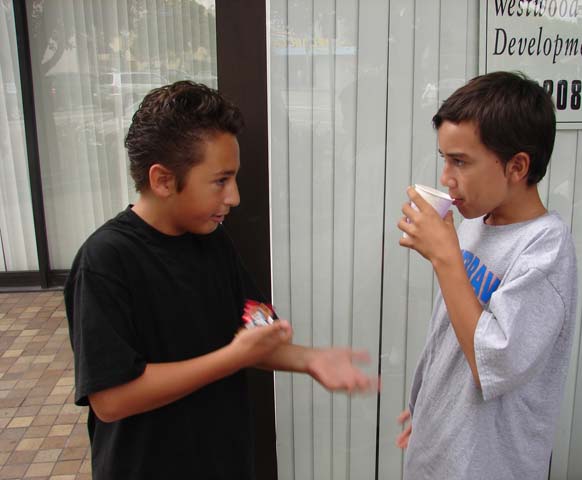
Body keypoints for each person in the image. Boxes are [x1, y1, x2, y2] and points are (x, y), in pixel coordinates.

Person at [64, 80, 374, 479]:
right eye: (220, 181)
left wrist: (309, 359)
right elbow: (111, 399)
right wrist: (233, 358)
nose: (234, 197)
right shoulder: (106, 260)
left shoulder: (211, 241)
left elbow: (252, 335)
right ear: (162, 180)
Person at [396, 71, 577, 479]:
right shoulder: (476, 221)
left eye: (460, 161)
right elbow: (449, 332)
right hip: (439, 446)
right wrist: (426, 403)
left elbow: (493, 360)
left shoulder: (545, 249)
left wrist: (445, 258)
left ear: (517, 166)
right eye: (444, 158)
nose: (446, 178)